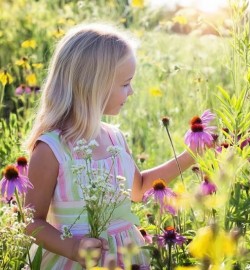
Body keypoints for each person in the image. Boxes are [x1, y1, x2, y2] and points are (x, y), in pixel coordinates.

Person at [25, 23, 196, 269]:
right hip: (72, 261)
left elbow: (138, 190)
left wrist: (191, 155)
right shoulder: (52, 149)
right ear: (94, 86)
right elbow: (32, 222)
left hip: (127, 257)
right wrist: (73, 248)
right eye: (125, 83)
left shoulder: (115, 138)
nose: (132, 91)